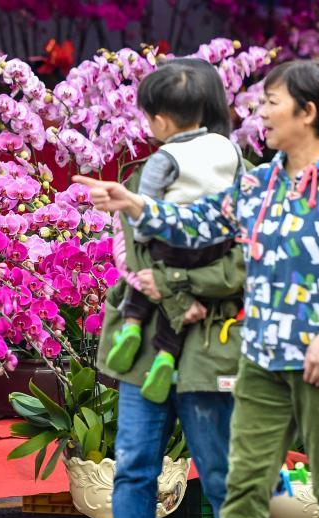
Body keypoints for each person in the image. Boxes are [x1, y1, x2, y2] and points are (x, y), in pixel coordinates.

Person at [77, 60, 319, 518]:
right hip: (259, 360)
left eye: (271, 102)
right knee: (241, 486)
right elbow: (197, 225)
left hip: (312, 358)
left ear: (306, 112)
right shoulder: (260, 183)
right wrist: (137, 204)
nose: (261, 113)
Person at [100, 58, 246, 518]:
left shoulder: (246, 176)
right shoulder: (146, 176)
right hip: (144, 347)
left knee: (223, 474)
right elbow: (136, 257)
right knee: (133, 468)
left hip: (213, 345)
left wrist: (179, 286)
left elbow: (243, 265)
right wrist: (184, 294)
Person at [108, 59, 243, 404]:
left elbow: (144, 210)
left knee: (153, 266)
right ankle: (166, 357)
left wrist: (143, 235)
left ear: (162, 121)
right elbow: (240, 195)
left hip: (172, 241)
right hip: (215, 243)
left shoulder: (163, 158)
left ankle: (132, 327)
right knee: (172, 303)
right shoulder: (232, 149)